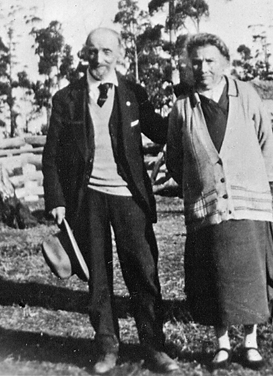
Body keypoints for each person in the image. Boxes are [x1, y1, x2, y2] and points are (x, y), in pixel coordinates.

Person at [42, 28, 179, 374]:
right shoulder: (67, 98)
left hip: (129, 196)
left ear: (119, 53)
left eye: (106, 51)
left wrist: (184, 94)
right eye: (92, 52)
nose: (99, 59)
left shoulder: (134, 93)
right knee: (97, 277)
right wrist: (56, 200)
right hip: (86, 198)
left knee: (143, 271)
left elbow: (161, 131)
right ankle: (107, 348)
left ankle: (154, 347)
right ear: (83, 55)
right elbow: (51, 154)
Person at [165, 33, 273, 370]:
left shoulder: (246, 95)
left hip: (249, 205)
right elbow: (174, 159)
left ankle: (250, 342)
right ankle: (221, 344)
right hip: (207, 207)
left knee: (249, 275)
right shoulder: (182, 108)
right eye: (196, 63)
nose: (203, 68)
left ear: (224, 63)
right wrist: (199, 183)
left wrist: (253, 183)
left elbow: (267, 142)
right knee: (215, 276)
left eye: (210, 61)